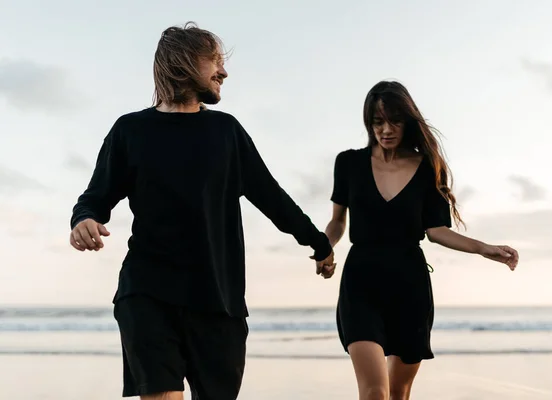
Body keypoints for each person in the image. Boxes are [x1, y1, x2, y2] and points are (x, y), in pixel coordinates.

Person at [68, 22, 335, 400]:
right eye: (215, 61)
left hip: (219, 300)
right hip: (148, 293)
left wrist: (319, 243)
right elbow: (95, 197)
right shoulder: (130, 130)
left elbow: (272, 198)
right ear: (183, 61)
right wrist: (83, 220)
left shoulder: (226, 132)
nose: (224, 72)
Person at [319, 80, 519, 400]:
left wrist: (484, 248)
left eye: (394, 120)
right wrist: (324, 247)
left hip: (409, 285)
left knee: (398, 393)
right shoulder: (348, 163)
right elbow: (337, 221)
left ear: (408, 120)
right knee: (374, 392)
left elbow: (437, 230)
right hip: (361, 282)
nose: (386, 129)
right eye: (377, 121)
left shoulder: (427, 169)